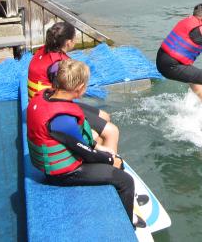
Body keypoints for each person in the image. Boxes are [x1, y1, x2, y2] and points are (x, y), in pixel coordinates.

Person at [26, 59, 146, 228]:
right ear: (80, 88)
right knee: (126, 181)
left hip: (64, 159)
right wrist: (110, 160)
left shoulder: (46, 97)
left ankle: (129, 198)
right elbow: (86, 154)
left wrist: (107, 153)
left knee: (114, 157)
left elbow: (80, 143)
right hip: (62, 175)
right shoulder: (63, 120)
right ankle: (127, 223)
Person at [27, 21, 116, 149]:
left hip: (41, 101)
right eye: (75, 39)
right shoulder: (59, 65)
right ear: (68, 42)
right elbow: (67, 92)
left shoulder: (43, 50)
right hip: (52, 109)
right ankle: (109, 162)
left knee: (105, 116)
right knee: (106, 133)